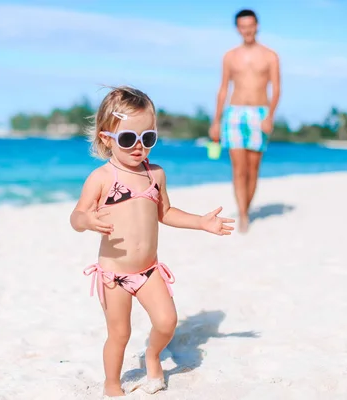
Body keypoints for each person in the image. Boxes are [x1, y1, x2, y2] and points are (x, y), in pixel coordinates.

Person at [70, 86, 235, 397]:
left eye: (148, 138)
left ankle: (152, 355)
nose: (139, 147)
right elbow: (76, 216)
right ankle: (111, 385)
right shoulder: (101, 178)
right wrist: (86, 221)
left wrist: (201, 222)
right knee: (119, 334)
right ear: (107, 139)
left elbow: (166, 212)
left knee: (166, 322)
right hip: (113, 276)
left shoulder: (155, 174)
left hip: (148, 270)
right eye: (129, 139)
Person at [209, 9, 281, 233]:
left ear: (257, 26)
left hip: (259, 113)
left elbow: (276, 88)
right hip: (234, 114)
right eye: (243, 26)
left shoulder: (270, 56)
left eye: (250, 25)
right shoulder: (230, 56)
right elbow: (223, 89)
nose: (247, 30)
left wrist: (270, 116)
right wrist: (216, 121)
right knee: (238, 169)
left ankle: (246, 208)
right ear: (237, 28)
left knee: (253, 168)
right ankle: (242, 214)